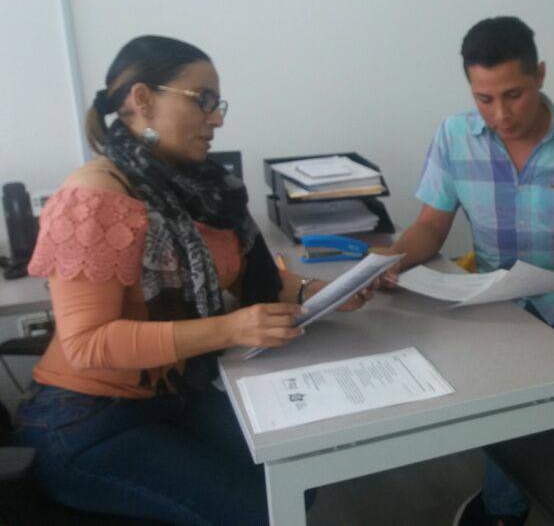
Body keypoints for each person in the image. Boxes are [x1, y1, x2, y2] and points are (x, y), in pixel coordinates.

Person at [13, 35, 373, 524]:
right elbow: (87, 344)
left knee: (294, 486)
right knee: (262, 511)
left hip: (174, 395)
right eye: (202, 100)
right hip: (87, 417)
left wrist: (323, 293)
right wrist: (229, 329)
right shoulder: (94, 198)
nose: (217, 119)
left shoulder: (201, 190)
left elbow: (254, 281)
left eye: (218, 104)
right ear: (143, 100)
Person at [380, 16, 554, 525]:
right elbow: (430, 227)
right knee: (488, 379)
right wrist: (388, 263)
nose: (500, 114)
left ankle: (512, 505)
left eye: (513, 95)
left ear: (540, 75)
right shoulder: (454, 136)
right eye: (484, 99)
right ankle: (516, 500)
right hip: (492, 294)